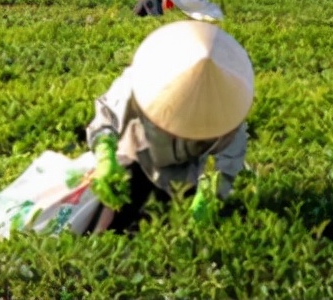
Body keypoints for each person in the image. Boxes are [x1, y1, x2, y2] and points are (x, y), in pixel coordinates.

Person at [85, 20, 254, 230]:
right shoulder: (142, 79)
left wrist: (209, 196)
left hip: (187, 173)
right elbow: (107, 114)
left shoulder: (227, 110)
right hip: (138, 155)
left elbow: (227, 163)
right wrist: (104, 155)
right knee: (109, 212)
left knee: (175, 223)